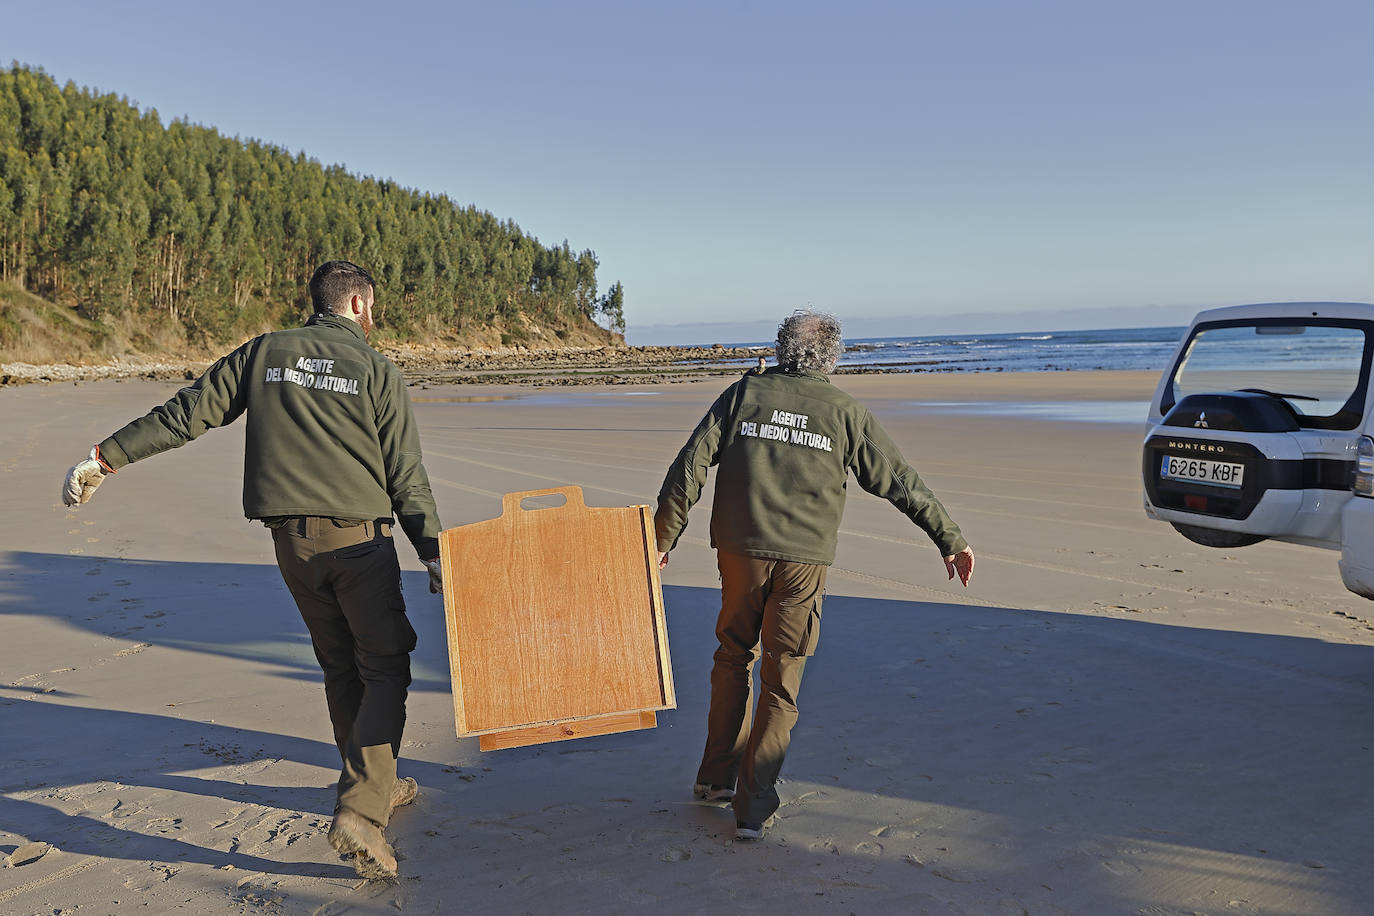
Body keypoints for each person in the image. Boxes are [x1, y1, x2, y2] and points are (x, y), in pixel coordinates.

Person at [60, 260, 442, 880]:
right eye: (371, 309)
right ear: (357, 306)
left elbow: (189, 413)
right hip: (357, 543)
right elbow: (406, 473)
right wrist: (431, 549)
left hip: (291, 544)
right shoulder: (376, 370)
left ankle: (376, 782)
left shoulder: (264, 353)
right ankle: (361, 811)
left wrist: (105, 458)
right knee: (387, 664)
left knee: (341, 663)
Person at [654, 310, 974, 841]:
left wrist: (662, 538)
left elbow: (690, 466)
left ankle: (716, 780)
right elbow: (897, 479)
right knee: (782, 678)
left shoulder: (743, 395)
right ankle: (752, 807)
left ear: (782, 348)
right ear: (831, 356)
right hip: (803, 562)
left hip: (740, 551)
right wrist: (949, 538)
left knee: (734, 656)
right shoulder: (844, 412)